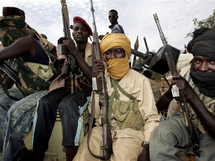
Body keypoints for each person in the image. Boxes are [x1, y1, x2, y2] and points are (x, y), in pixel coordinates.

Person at [73, 33, 160, 161]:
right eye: (108, 52)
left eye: (118, 51)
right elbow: (95, 115)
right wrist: (98, 84)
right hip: (101, 130)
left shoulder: (140, 80)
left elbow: (151, 118)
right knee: (83, 156)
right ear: (104, 57)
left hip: (130, 133)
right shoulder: (102, 79)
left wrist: (146, 146)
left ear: (126, 53)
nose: (113, 56)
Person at [0, 7, 58, 161]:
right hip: (29, 91)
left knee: (14, 113)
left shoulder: (25, 42)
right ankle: (17, 150)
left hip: (45, 91)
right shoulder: (17, 50)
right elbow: (8, 82)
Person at [32, 16, 93, 161]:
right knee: (44, 102)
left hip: (86, 91)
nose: (79, 32)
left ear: (88, 34)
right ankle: (38, 152)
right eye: (76, 29)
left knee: (67, 104)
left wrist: (75, 53)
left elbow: (93, 77)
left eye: (83, 30)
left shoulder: (94, 49)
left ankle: (71, 154)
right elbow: (64, 73)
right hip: (69, 87)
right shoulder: (67, 51)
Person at [149, 28, 215, 161]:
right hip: (185, 120)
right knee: (160, 135)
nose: (203, 68)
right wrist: (169, 94)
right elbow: (164, 101)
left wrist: (191, 95)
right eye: (198, 61)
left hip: (210, 133)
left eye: (212, 62)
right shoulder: (188, 74)